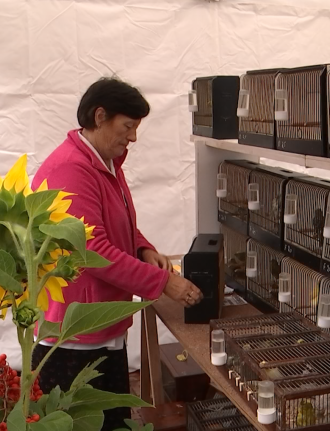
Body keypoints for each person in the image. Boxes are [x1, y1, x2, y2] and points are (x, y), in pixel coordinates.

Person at [31, 77, 202, 431]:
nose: (133, 138)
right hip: (74, 332)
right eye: (128, 126)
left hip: (99, 321)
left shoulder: (105, 161)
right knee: (84, 422)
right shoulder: (71, 169)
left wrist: (143, 247)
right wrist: (163, 282)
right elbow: (91, 249)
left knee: (113, 421)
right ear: (99, 116)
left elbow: (115, 222)